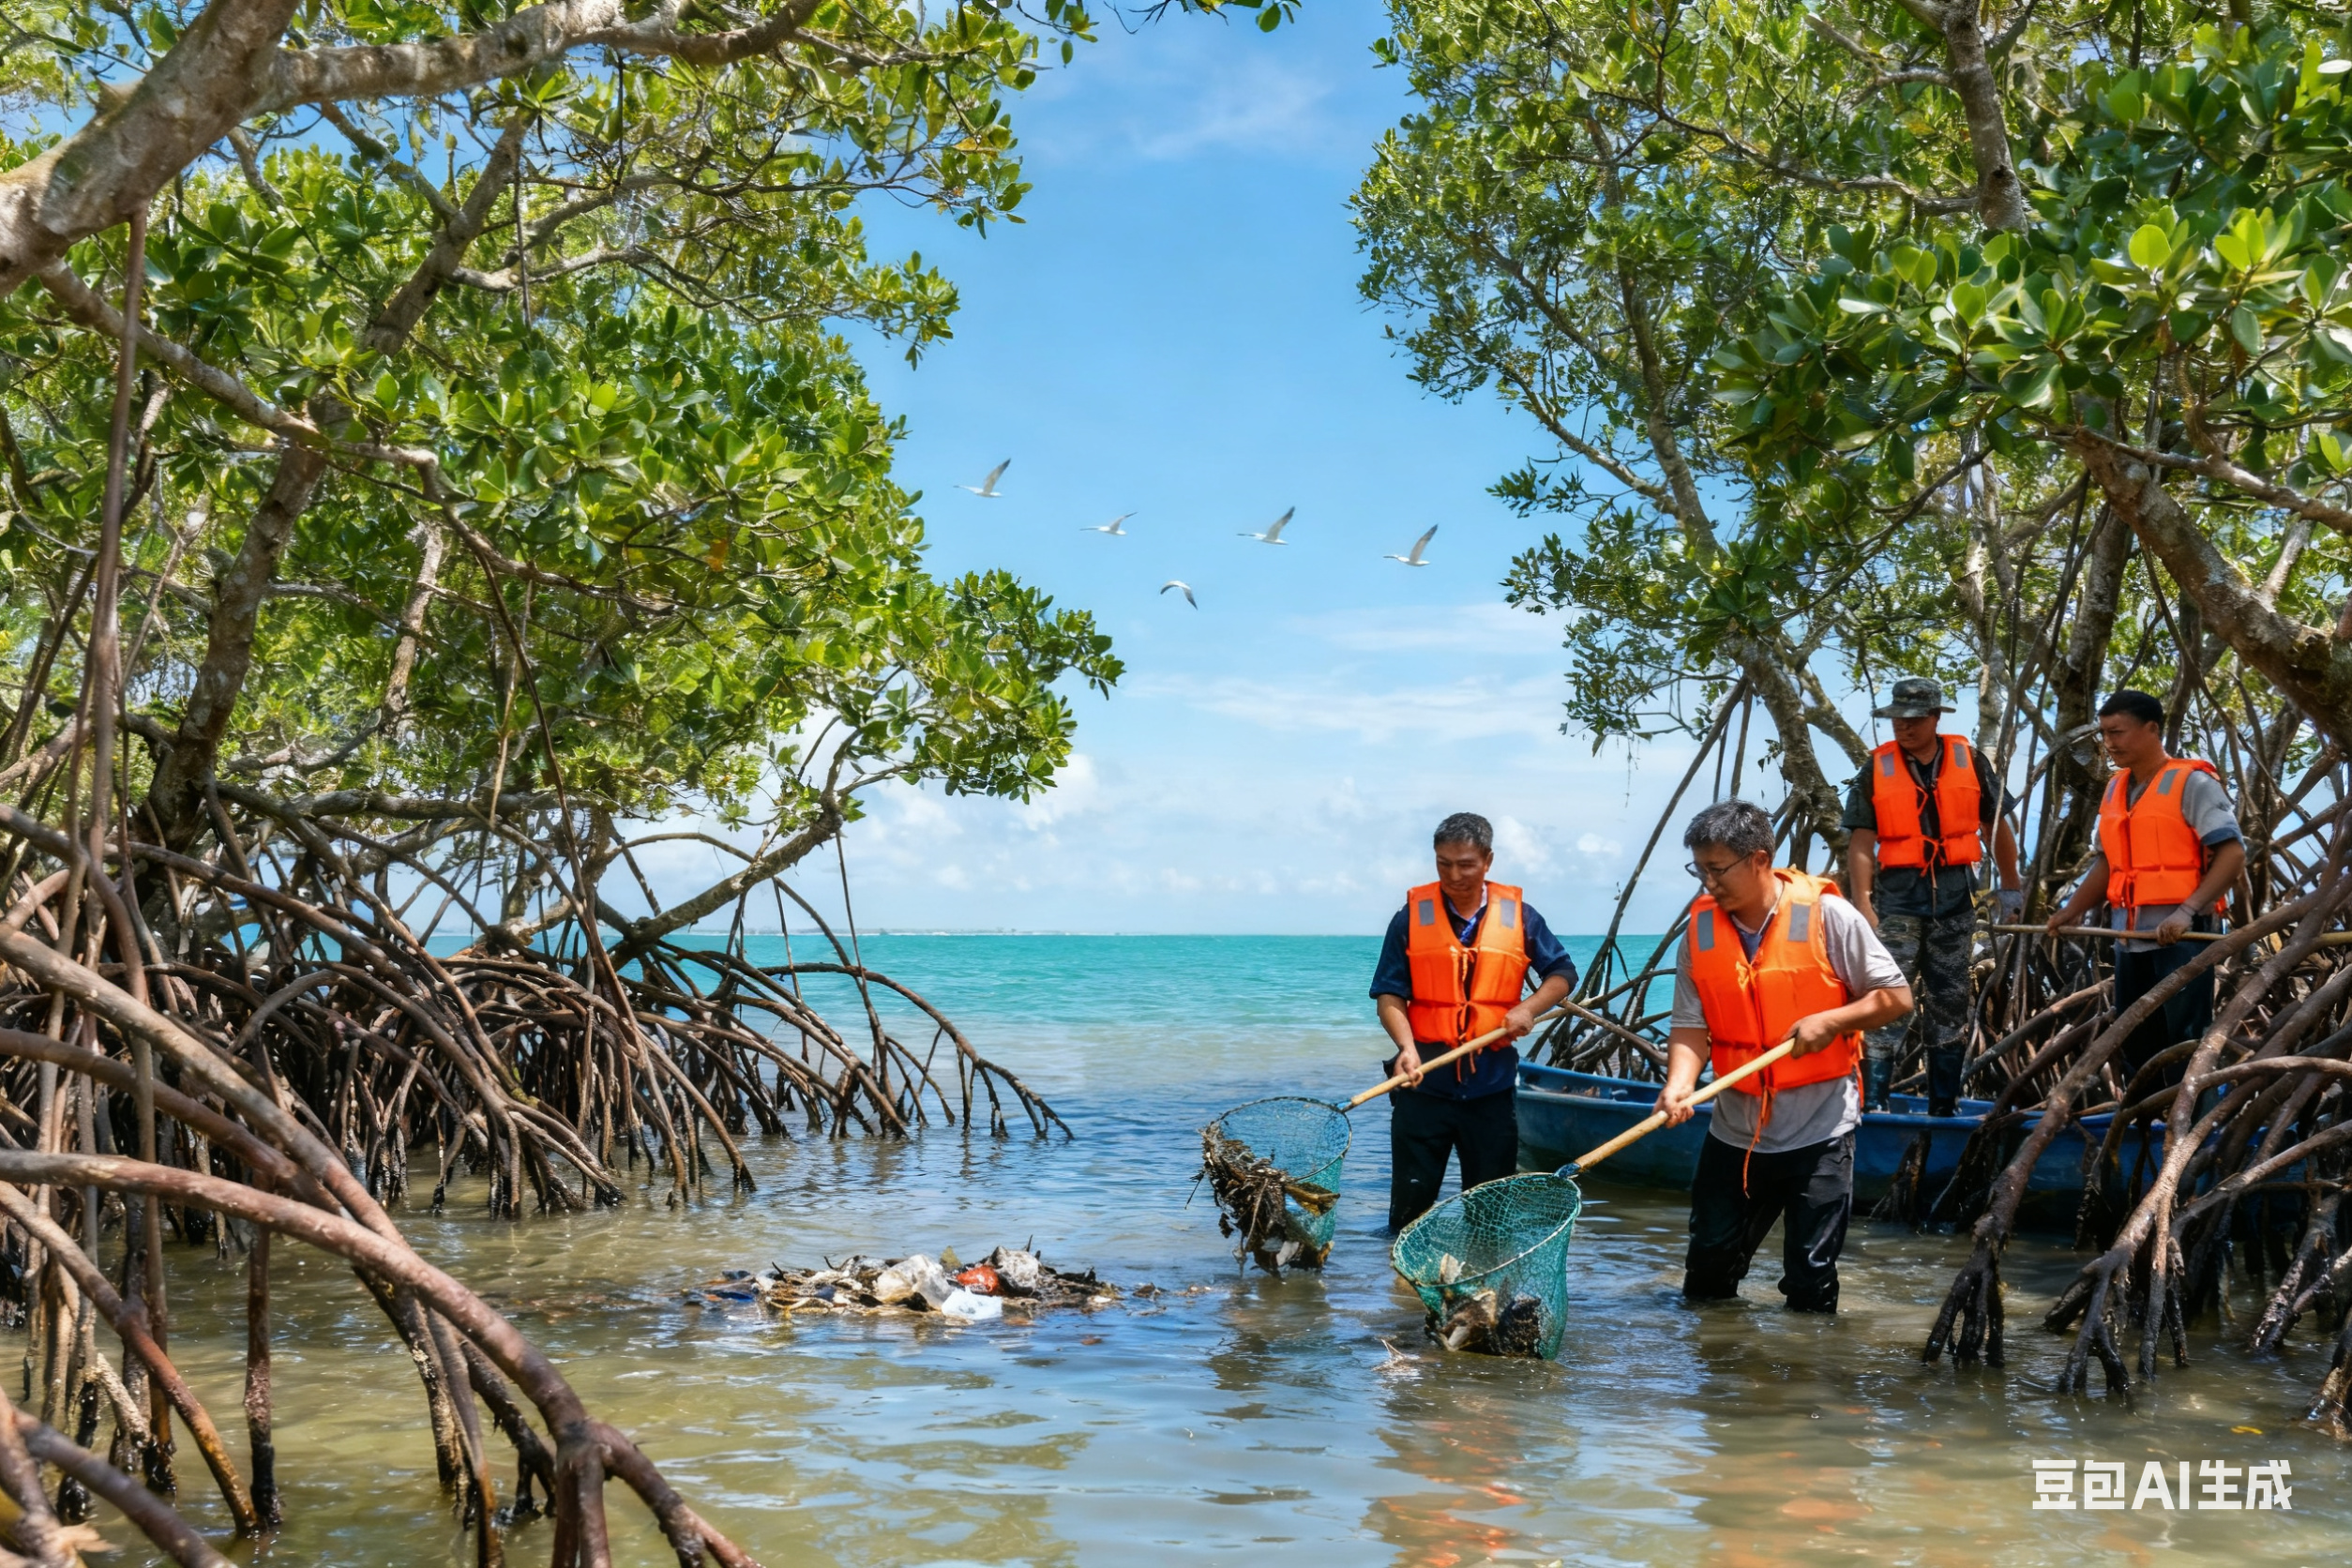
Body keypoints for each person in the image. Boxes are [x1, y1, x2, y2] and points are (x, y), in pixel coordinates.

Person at [1659, 800, 1913, 1313]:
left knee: (1810, 1279)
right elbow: (1690, 1024)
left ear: (1758, 859)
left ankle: (1807, 1381)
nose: (1707, 882)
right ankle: (1717, 1382)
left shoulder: (1828, 914)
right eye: (1699, 869)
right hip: (1735, 1132)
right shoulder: (1700, 931)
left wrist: (1832, 1021)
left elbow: (1896, 996)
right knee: (1707, 1272)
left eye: (1717, 868)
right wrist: (1679, 1083)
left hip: (1818, 1130)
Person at [1370, 812, 1578, 1232]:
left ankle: (1483, 1289)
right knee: (1408, 1215)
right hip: (1423, 1082)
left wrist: (1529, 1008)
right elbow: (1389, 995)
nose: (1453, 874)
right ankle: (1402, 1291)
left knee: (1491, 1218)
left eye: (1465, 864)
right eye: (1443, 863)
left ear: (1487, 860)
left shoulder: (1522, 917)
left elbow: (1562, 974)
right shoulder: (1409, 918)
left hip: (1491, 1089)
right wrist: (1406, 1049)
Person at [1841, 676, 2023, 1116]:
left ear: (1935, 718)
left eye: (1914, 719)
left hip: (1955, 901)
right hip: (1897, 902)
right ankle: (1876, 1102)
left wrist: (2012, 884)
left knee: (1949, 1000)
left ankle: (1945, 1103)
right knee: (1887, 998)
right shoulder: (1875, 769)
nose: (1903, 728)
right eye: (1897, 720)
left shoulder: (1971, 761)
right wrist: (1863, 904)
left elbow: (1996, 827)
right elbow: (1862, 843)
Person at [2043, 689, 2246, 1083]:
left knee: (2184, 1039)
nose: (2109, 743)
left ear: (2151, 729)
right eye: (2104, 733)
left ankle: (2190, 1130)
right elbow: (2109, 862)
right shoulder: (2116, 788)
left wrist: (2187, 911)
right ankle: (2143, 1130)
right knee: (2135, 1037)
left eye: (2117, 732)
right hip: (2130, 935)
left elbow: (2232, 854)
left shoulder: (2193, 784)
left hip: (2184, 936)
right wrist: (2073, 909)